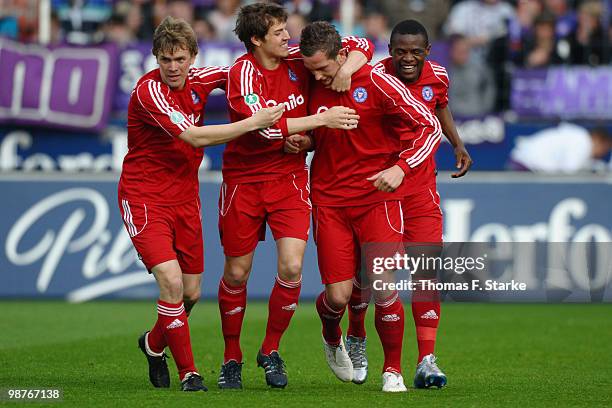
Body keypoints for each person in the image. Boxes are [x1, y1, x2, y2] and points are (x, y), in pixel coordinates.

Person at [118, 16, 284, 392]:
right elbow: (193, 137)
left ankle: (153, 344)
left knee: (191, 294)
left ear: (193, 56)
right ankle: (190, 374)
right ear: (155, 59)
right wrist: (252, 122)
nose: (173, 68)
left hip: (185, 200)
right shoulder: (149, 93)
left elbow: (243, 71)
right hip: (145, 199)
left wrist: (286, 62)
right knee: (172, 284)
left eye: (179, 59)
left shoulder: (201, 78)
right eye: (164, 60)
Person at [216, 2, 371, 390]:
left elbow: (359, 43)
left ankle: (270, 350)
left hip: (288, 180)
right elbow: (263, 130)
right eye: (280, 32)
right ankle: (231, 356)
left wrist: (347, 71)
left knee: (291, 267)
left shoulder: (299, 63)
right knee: (237, 272)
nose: (289, 36)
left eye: (287, 29)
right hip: (243, 182)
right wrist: (321, 121)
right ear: (256, 39)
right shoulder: (242, 73)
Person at [288, 21, 443, 392]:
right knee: (338, 296)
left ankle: (393, 370)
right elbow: (354, 44)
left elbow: (429, 126)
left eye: (324, 69)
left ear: (342, 58)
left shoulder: (376, 81)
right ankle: (331, 333)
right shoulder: (309, 77)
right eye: (312, 70)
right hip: (329, 201)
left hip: (378, 200)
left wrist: (400, 168)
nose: (317, 77)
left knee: (384, 284)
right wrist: (303, 141)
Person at [341, 19, 473, 389]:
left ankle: (425, 360)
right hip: (380, 188)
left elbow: (440, 108)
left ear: (428, 52)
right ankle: (356, 334)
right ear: (390, 51)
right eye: (400, 51)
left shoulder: (439, 76)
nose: (408, 58)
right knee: (371, 277)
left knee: (426, 271)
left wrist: (457, 143)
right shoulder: (375, 78)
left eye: (416, 51)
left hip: (420, 189)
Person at [508, 123, 611, 173]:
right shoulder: (583, 141)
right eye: (604, 148)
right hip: (525, 167)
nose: (602, 153)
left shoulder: (578, 136)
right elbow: (570, 172)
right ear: (597, 139)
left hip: (522, 162)